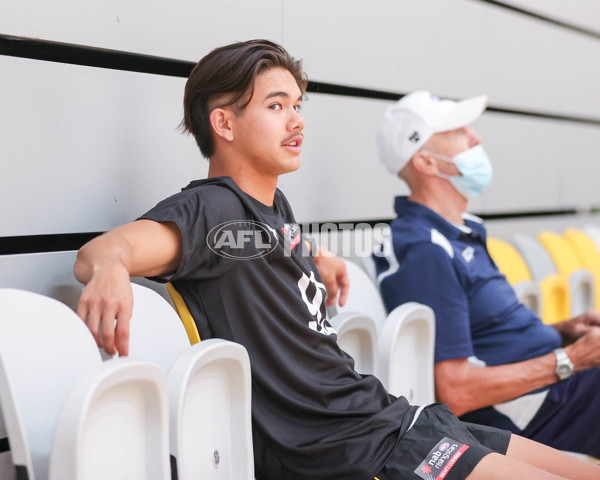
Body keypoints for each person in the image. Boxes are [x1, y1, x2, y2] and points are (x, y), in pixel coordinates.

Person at [75, 42, 599, 480]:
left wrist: (314, 253)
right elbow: (107, 249)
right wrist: (109, 270)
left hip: (391, 418)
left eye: (298, 105)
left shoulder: (268, 210)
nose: (296, 120)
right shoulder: (212, 210)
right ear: (224, 123)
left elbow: (257, 248)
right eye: (276, 106)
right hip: (349, 450)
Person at [375, 90, 600, 459]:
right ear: (428, 163)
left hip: (555, 392)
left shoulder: (458, 232)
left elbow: (485, 339)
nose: (476, 138)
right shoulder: (425, 250)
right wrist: (572, 358)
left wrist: (562, 331)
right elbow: (457, 392)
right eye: (459, 132)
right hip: (535, 412)